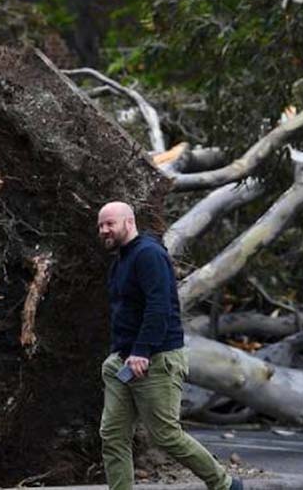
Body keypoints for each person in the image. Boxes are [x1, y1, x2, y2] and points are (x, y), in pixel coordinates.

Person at [96, 201, 242, 490]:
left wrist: (142, 350)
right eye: (100, 225)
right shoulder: (122, 260)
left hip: (155, 359)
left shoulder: (148, 255)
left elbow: (159, 306)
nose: (103, 230)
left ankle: (225, 485)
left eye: (109, 223)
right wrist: (121, 353)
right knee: (112, 436)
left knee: (165, 435)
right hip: (122, 362)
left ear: (129, 222)